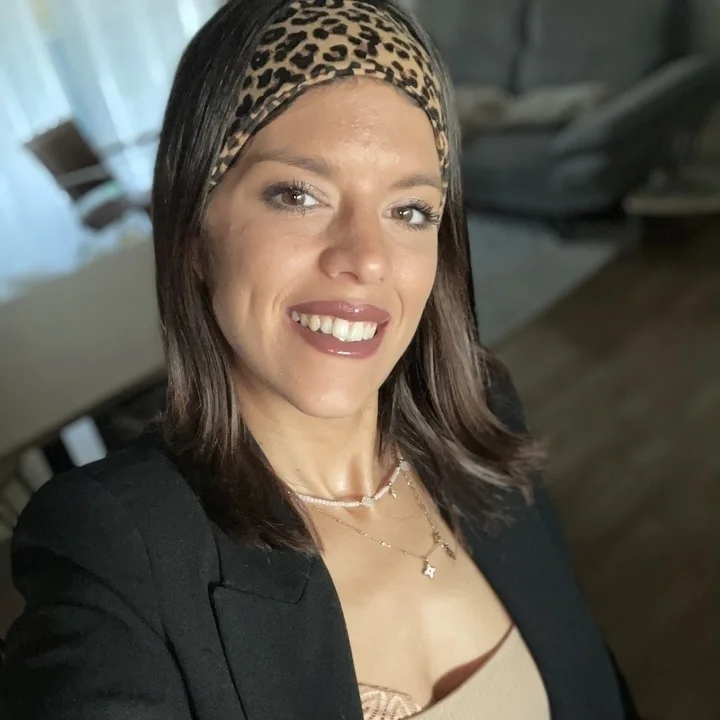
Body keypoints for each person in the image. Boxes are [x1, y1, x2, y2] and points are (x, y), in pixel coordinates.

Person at [0, 1, 639, 718]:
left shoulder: (482, 416)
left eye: (410, 210)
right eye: (297, 195)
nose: (367, 259)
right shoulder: (117, 552)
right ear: (194, 234)